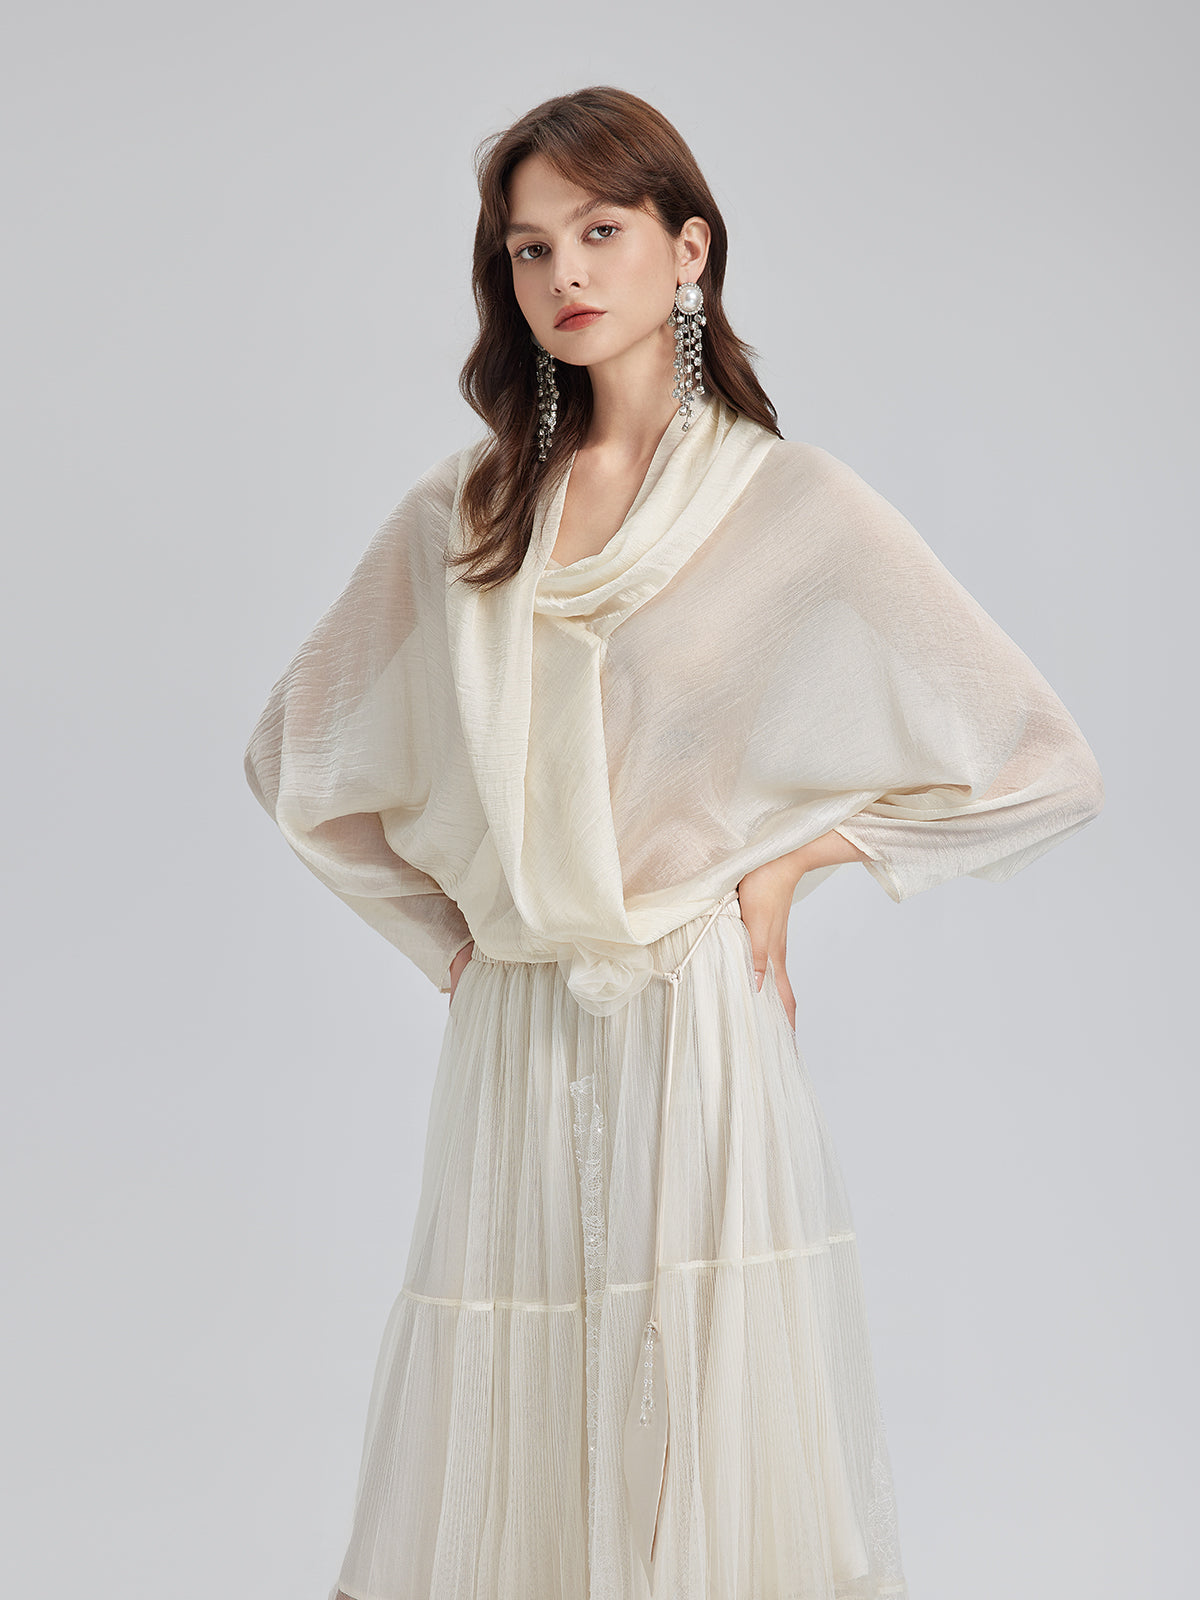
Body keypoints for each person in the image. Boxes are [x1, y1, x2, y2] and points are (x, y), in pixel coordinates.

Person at [243, 85, 1104, 1600]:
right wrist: (458, 935)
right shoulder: (469, 511)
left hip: (691, 1007)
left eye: (599, 232)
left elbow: (1041, 762)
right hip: (520, 1021)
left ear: (688, 249)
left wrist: (795, 859)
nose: (563, 274)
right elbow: (297, 755)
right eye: (528, 249)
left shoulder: (783, 504)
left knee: (691, 1404)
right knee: (522, 1408)